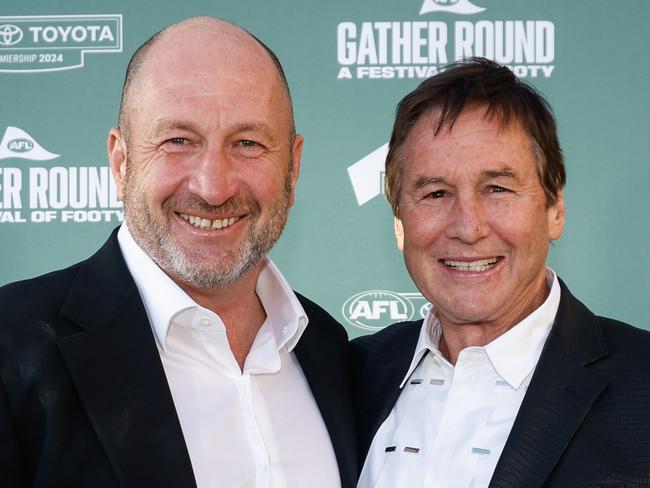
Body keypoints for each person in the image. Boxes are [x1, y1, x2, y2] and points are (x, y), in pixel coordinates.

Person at [0, 17, 356, 488]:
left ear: (293, 166)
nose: (212, 187)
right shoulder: (12, 345)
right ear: (121, 162)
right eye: (178, 142)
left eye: (247, 143)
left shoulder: (332, 353)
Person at [354, 58, 650, 487]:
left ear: (555, 209)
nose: (468, 227)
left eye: (497, 189)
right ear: (399, 220)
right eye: (435, 193)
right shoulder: (350, 378)